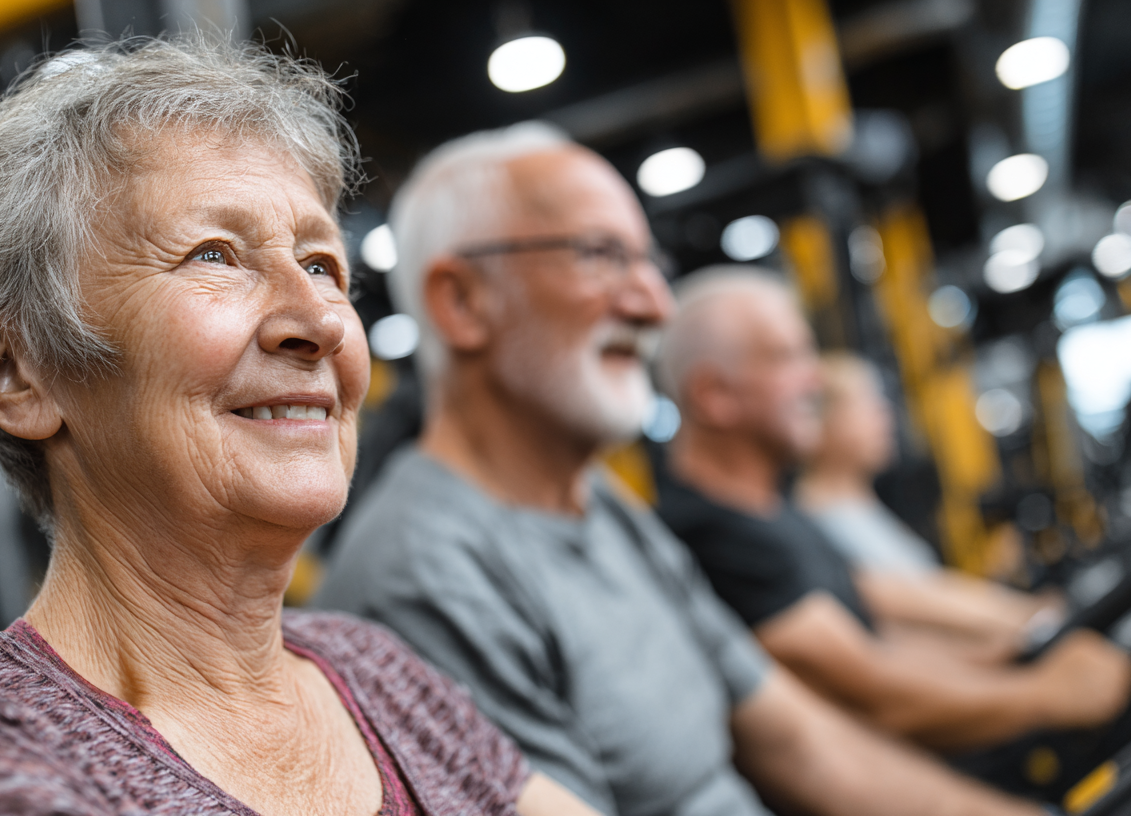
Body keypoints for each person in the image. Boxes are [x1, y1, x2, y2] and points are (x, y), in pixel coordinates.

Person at [0, 38, 595, 816]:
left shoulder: (374, 672)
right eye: (214, 255)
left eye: (321, 264)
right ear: (13, 370)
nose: (321, 320)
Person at [314, 122, 1041, 816]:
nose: (654, 303)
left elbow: (804, 742)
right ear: (462, 301)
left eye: (649, 263)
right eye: (601, 255)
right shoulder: (428, 575)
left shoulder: (604, 506)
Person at [653, 268, 1131, 752]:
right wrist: (1044, 693)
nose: (815, 378)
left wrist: (1014, 639)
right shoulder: (707, 535)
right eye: (786, 356)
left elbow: (883, 624)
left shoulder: (774, 514)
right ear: (714, 396)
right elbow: (873, 698)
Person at [796, 351, 1060, 652]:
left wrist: (1017, 608)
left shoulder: (861, 505)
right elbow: (900, 605)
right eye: (868, 404)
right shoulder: (816, 521)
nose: (885, 416)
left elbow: (929, 593)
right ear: (821, 421)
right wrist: (1023, 617)